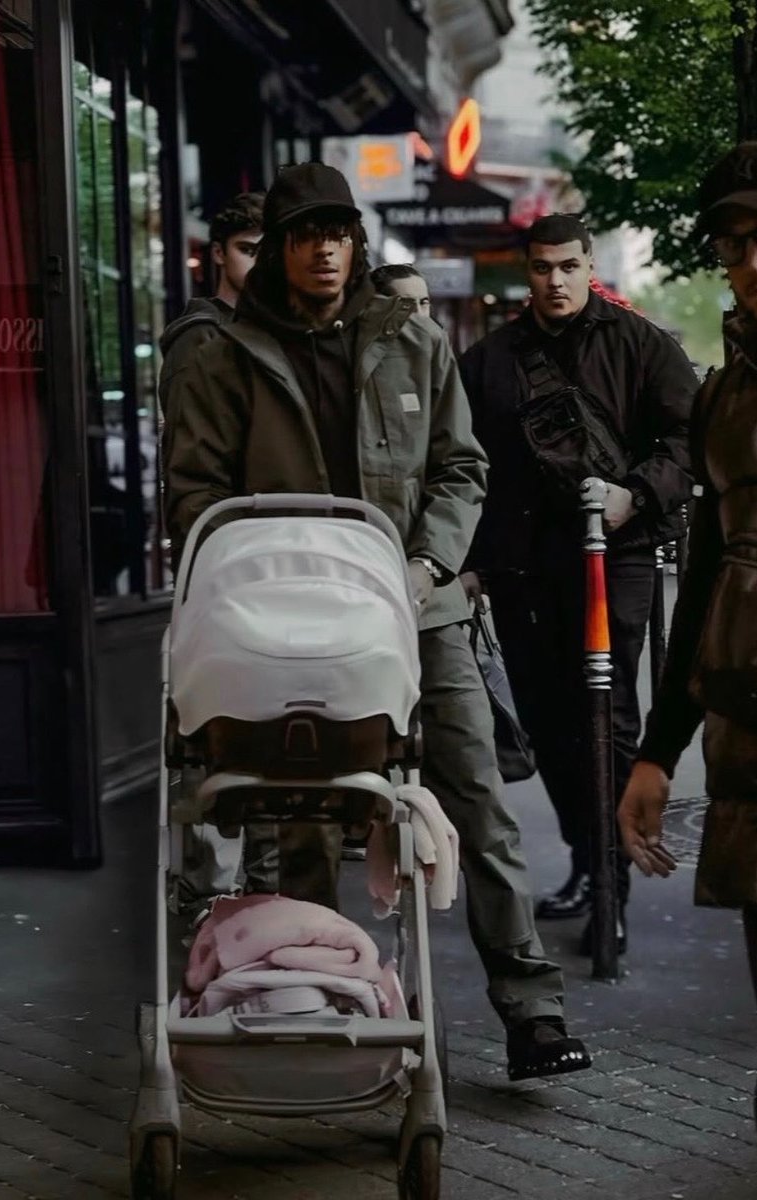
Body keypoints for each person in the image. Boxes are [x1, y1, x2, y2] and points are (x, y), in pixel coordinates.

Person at [163, 162, 591, 1081]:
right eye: (305, 234)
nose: (325, 249)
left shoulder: (409, 338)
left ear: (357, 242)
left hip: (417, 607)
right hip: (285, 625)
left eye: (339, 232)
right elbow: (194, 495)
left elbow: (460, 468)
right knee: (305, 812)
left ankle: (531, 1008)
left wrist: (426, 562)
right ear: (276, 249)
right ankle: (316, 1009)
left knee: (475, 799)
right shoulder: (220, 353)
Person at [458, 214, 697, 954]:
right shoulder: (488, 360)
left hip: (612, 555)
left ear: (587, 263)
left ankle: (609, 886)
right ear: (524, 271)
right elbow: (464, 464)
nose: (553, 280)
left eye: (566, 266)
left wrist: (636, 491)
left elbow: (688, 441)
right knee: (547, 722)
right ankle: (587, 857)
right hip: (523, 566)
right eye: (539, 268)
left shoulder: (641, 344)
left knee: (606, 712)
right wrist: (467, 561)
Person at [618, 143, 757, 1110]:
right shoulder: (724, 391)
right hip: (745, 738)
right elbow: (703, 576)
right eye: (733, 244)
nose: (750, 262)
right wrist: (655, 751)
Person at [158, 191, 264, 913]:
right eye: (247, 250)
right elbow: (193, 470)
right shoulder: (204, 339)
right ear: (218, 257)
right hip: (224, 559)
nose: (258, 265)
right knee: (211, 722)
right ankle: (206, 887)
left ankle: (240, 880)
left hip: (254, 556)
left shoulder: (258, 331)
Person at [158, 191, 264, 413]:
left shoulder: (268, 326)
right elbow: (186, 439)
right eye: (247, 250)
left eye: (268, 252)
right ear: (219, 252)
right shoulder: (199, 336)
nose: (259, 263)